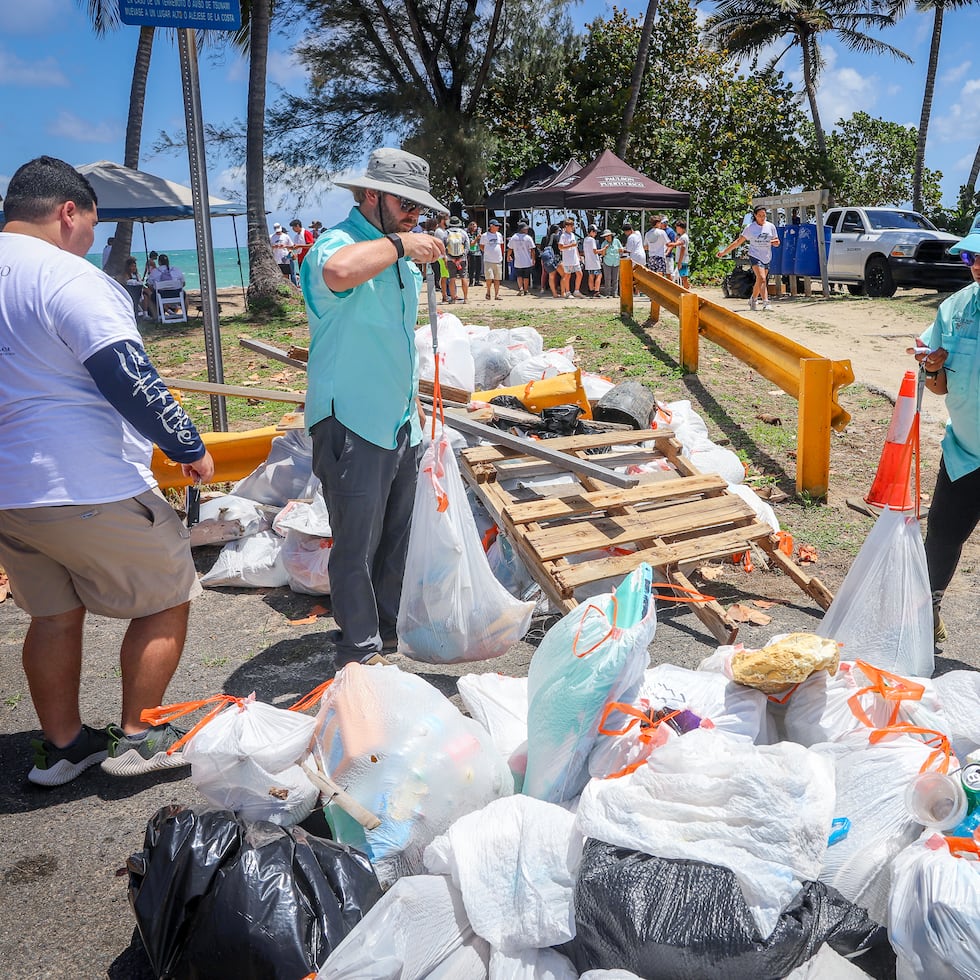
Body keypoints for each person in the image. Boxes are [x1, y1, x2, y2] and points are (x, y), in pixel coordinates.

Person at [0, 156, 216, 787]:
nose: (91, 239)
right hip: (86, 480)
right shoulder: (70, 278)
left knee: (53, 615)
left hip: (13, 494)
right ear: (68, 212)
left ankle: (64, 747)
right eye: (91, 225)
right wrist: (188, 445)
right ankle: (141, 735)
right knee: (168, 591)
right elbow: (126, 374)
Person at [299, 147, 446, 665]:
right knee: (356, 545)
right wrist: (401, 241)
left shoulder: (396, 252)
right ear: (370, 195)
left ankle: (385, 634)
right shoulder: (338, 243)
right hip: (351, 419)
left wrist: (417, 415)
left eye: (417, 206)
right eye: (404, 203)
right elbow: (339, 273)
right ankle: (357, 648)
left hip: (398, 418)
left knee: (395, 540)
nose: (414, 213)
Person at [909, 231, 980, 644]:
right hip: (966, 454)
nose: (976, 263)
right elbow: (938, 386)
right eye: (972, 254)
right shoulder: (954, 309)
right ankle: (927, 612)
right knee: (941, 536)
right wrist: (933, 368)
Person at [717, 204, 780, 311]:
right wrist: (724, 252)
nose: (762, 217)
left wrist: (774, 242)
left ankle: (753, 299)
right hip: (755, 255)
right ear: (755, 215)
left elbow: (777, 241)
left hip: (766, 256)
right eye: (760, 215)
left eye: (764, 215)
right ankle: (766, 302)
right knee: (762, 278)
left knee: (760, 280)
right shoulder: (750, 228)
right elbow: (738, 242)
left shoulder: (771, 227)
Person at [147, 253, 186, 319]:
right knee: (184, 295)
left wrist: (154, 291)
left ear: (159, 262)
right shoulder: (176, 270)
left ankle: (155, 317)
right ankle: (185, 314)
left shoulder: (155, 271)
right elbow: (183, 283)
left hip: (161, 295)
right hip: (176, 294)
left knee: (151, 298)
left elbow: (149, 284)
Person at [507, 222, 537, 297]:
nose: (527, 230)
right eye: (526, 228)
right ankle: (526, 289)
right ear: (522, 229)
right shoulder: (528, 238)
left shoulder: (514, 237)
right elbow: (532, 250)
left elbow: (510, 248)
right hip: (527, 261)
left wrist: (508, 256)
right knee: (526, 276)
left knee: (519, 276)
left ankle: (520, 289)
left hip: (518, 261)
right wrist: (533, 259)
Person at [445, 216, 469, 303]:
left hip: (451, 259)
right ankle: (465, 298)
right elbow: (467, 246)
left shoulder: (446, 233)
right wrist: (461, 258)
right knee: (464, 277)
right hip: (462, 259)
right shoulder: (463, 232)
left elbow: (444, 246)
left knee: (452, 278)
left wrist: (452, 258)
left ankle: (453, 298)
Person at [558, 217, 583, 298]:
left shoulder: (572, 235)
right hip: (568, 259)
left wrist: (578, 256)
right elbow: (560, 247)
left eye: (573, 226)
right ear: (566, 226)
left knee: (579, 274)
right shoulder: (563, 236)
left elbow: (575, 246)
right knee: (567, 276)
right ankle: (568, 292)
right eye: (571, 226)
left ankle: (576, 291)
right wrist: (570, 245)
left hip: (574, 258)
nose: (572, 227)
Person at [480, 218, 505, 300]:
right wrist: (488, 252)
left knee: (497, 278)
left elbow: (501, 245)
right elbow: (481, 246)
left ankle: (497, 294)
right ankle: (488, 292)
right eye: (496, 225)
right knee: (489, 278)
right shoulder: (485, 235)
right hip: (488, 260)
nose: (498, 227)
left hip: (498, 260)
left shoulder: (499, 235)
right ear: (491, 226)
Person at [598, 228, 622, 297]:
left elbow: (621, 249)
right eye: (605, 236)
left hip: (616, 262)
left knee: (615, 278)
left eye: (608, 236)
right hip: (607, 262)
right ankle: (607, 293)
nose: (607, 237)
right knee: (607, 278)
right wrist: (605, 248)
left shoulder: (617, 241)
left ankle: (615, 293)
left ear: (611, 235)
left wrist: (620, 250)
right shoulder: (604, 244)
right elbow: (602, 254)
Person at [671, 219, 691, 290]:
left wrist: (679, 262)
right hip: (683, 260)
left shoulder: (684, 237)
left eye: (677, 227)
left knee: (684, 278)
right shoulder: (682, 236)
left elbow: (682, 249)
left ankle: (687, 291)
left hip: (682, 260)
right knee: (683, 277)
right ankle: (687, 289)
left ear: (680, 228)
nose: (676, 229)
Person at [582, 225, 602, 297]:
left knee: (591, 276)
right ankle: (596, 291)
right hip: (594, 261)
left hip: (588, 261)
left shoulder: (585, 240)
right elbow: (595, 251)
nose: (596, 234)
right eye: (595, 232)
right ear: (591, 232)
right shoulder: (592, 240)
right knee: (599, 275)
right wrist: (603, 250)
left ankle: (591, 291)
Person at [539, 232, 560, 298]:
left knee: (544, 274)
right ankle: (554, 289)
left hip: (545, 256)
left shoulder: (544, 238)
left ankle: (542, 288)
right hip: (553, 257)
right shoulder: (556, 237)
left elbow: (541, 248)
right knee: (554, 275)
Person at [467, 220, 483, 286]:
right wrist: (477, 238)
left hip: (478, 252)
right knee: (471, 268)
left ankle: (477, 281)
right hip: (472, 252)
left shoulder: (477, 234)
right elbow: (471, 244)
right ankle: (471, 281)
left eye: (476, 226)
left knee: (478, 268)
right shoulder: (468, 234)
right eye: (474, 226)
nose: (475, 228)